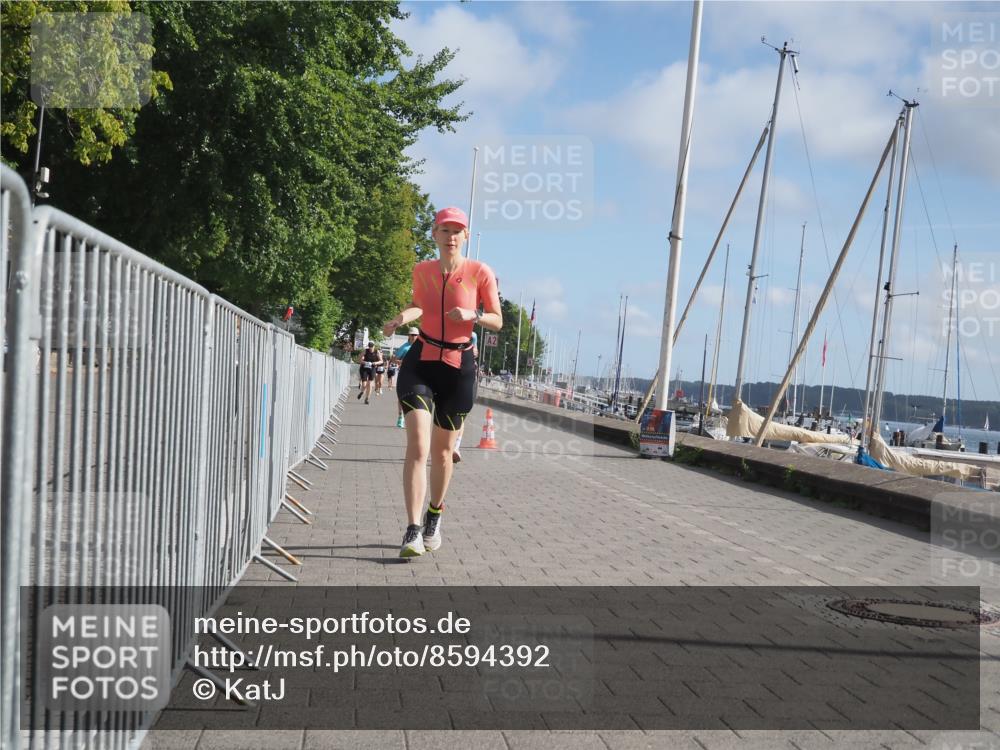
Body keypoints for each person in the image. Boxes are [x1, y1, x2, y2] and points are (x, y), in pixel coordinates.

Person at [382, 207, 502, 558]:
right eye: (444, 230)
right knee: (418, 447)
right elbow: (418, 306)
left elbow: (497, 320)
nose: (451, 237)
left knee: (443, 453)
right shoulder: (423, 270)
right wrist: (399, 318)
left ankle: (434, 514)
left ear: (466, 236)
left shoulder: (480, 272)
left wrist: (473, 314)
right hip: (421, 363)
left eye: (457, 231)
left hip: (458, 367)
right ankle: (412, 529)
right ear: (434, 235)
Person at [451, 330, 478, 463]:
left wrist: (472, 351)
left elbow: (475, 352)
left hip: (466, 376)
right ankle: (444, 445)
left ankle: (456, 447)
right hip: (448, 374)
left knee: (460, 415)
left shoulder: (473, 335)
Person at [392, 328, 419, 428]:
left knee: (416, 396)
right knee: (402, 396)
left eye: (415, 335)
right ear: (408, 336)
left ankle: (414, 418)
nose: (413, 337)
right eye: (412, 335)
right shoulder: (404, 347)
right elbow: (394, 360)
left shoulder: (422, 347)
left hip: (418, 375)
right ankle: (400, 417)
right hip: (405, 373)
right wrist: (403, 362)